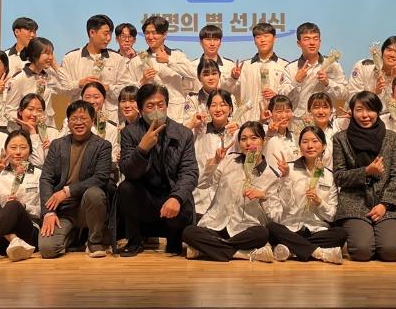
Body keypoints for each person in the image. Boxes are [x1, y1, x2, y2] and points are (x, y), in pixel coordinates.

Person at [118, 84, 198, 257]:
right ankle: (134, 241)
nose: (156, 110)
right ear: (140, 109)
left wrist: (176, 197)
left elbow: (190, 172)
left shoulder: (183, 134)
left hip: (170, 195)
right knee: (125, 188)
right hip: (144, 197)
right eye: (150, 106)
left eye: (160, 105)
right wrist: (142, 149)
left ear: (167, 106)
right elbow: (128, 172)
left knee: (184, 198)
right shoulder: (129, 133)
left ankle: (174, 240)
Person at [182, 121, 278, 262]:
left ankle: (205, 250)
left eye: (254, 138)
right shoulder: (229, 160)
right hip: (217, 225)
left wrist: (264, 197)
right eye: (243, 139)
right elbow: (203, 184)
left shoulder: (271, 175)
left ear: (263, 140)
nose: (248, 143)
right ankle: (242, 254)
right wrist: (215, 161)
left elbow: (275, 217)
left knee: (262, 233)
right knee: (188, 232)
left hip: (244, 230)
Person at [332, 91, 396, 262]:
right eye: (359, 110)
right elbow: (339, 177)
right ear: (352, 112)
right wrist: (365, 171)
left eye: (370, 110)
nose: (365, 115)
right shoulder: (340, 139)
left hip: (386, 205)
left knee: (390, 251)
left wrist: (384, 204)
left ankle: (383, 239)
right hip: (355, 204)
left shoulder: (391, 137)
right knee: (362, 252)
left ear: (378, 111)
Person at [38, 101, 113, 259]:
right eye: (74, 118)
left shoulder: (102, 146)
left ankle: (94, 241)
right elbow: (46, 178)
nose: (78, 122)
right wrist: (48, 212)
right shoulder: (57, 145)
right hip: (63, 210)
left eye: (83, 118)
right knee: (47, 249)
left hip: (86, 207)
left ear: (92, 121)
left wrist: (67, 191)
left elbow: (101, 178)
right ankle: (73, 236)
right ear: (68, 121)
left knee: (95, 193)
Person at [267, 126, 347, 264]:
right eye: (305, 141)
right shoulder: (288, 169)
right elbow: (284, 206)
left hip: (317, 230)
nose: (310, 146)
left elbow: (331, 216)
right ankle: (320, 253)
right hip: (291, 228)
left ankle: (292, 250)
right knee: (271, 228)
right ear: (299, 146)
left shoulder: (329, 176)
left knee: (341, 234)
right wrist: (286, 177)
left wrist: (319, 202)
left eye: (315, 141)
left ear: (324, 146)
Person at [59, 14, 135, 123]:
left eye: (110, 34)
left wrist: (108, 88)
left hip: (109, 119)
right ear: (92, 33)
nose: (109, 38)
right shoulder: (71, 58)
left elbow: (126, 89)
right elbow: (61, 88)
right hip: (79, 119)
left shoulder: (117, 59)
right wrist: (78, 84)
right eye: (105, 34)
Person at [0, 130, 42, 261]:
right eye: (13, 147)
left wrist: (24, 206)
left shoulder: (39, 174)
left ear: (30, 150)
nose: (18, 152)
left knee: (14, 205)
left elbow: (42, 211)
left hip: (27, 233)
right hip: (0, 236)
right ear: (5, 150)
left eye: (23, 147)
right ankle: (13, 239)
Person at [126, 16, 197, 123]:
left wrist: (169, 61)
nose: (150, 37)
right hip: (149, 115)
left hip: (176, 113)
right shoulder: (137, 60)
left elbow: (193, 74)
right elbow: (129, 89)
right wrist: (143, 81)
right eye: (147, 33)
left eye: (154, 33)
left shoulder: (177, 55)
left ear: (165, 34)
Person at [188, 89, 238, 219]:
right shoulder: (199, 130)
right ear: (208, 109)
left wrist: (239, 127)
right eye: (213, 105)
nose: (218, 109)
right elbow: (177, 138)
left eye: (223, 105)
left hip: (228, 201)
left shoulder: (237, 133)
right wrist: (191, 124)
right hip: (201, 199)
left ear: (231, 109)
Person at [284, 22, 347, 122]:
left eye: (315, 38)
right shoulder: (291, 68)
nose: (312, 43)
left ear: (320, 41)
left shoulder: (333, 65)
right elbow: (283, 99)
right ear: (298, 43)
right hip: (300, 122)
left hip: (327, 121)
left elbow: (344, 94)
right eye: (307, 39)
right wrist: (296, 81)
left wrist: (328, 83)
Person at [230, 22, 288, 123]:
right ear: (254, 41)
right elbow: (232, 92)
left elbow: (290, 95)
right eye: (258, 37)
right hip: (249, 120)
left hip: (276, 121)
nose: (262, 40)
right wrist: (233, 78)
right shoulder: (245, 66)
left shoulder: (284, 65)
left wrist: (277, 96)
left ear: (274, 38)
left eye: (266, 36)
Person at [7, 37, 59, 130]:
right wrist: (26, 122)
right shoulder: (20, 78)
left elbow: (68, 86)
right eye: (47, 53)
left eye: (52, 53)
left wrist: (56, 67)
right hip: (24, 131)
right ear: (35, 55)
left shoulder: (49, 75)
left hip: (46, 129)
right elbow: (9, 110)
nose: (51, 57)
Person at [346, 36, 396, 105]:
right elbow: (352, 98)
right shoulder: (363, 66)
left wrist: (393, 79)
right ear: (382, 52)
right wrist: (374, 93)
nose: (392, 55)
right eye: (389, 50)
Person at [191, 24, 238, 93]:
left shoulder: (230, 65)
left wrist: (234, 77)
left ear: (220, 42)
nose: (212, 43)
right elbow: (187, 91)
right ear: (201, 42)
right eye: (208, 39)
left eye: (216, 39)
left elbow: (235, 91)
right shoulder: (192, 66)